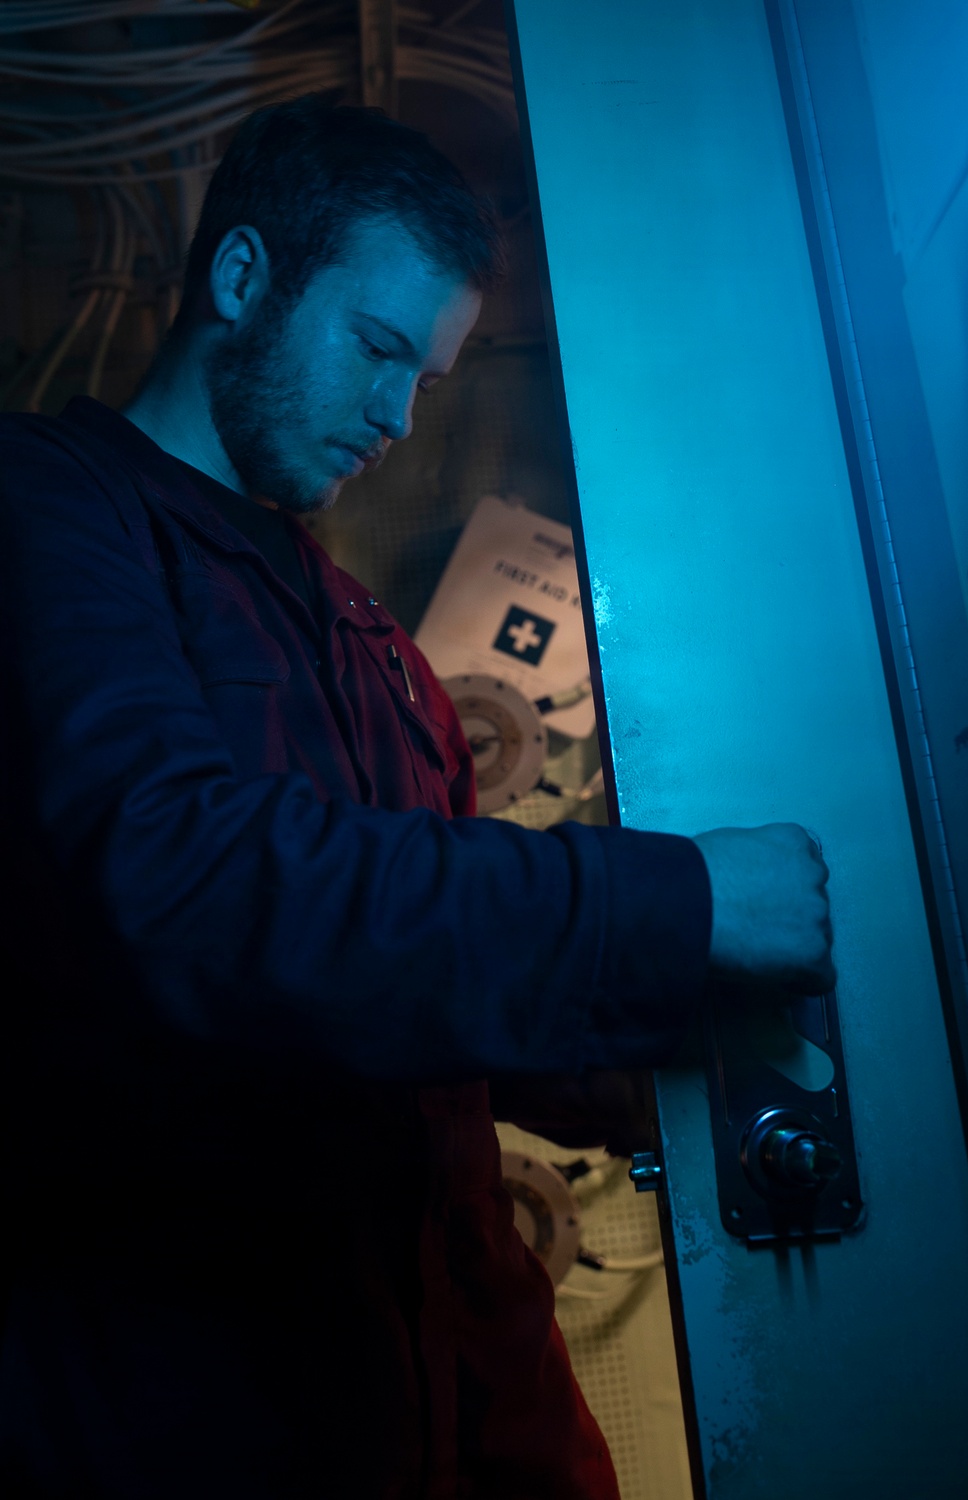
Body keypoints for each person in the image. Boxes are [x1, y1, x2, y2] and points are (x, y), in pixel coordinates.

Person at [0, 96, 834, 1499]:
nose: (395, 418)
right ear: (245, 277)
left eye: (426, 380)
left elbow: (428, 1013)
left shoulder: (363, 637)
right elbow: (185, 882)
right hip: (185, 1417)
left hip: (442, 1405)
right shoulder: (52, 511)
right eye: (379, 349)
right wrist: (674, 903)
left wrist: (695, 1067)